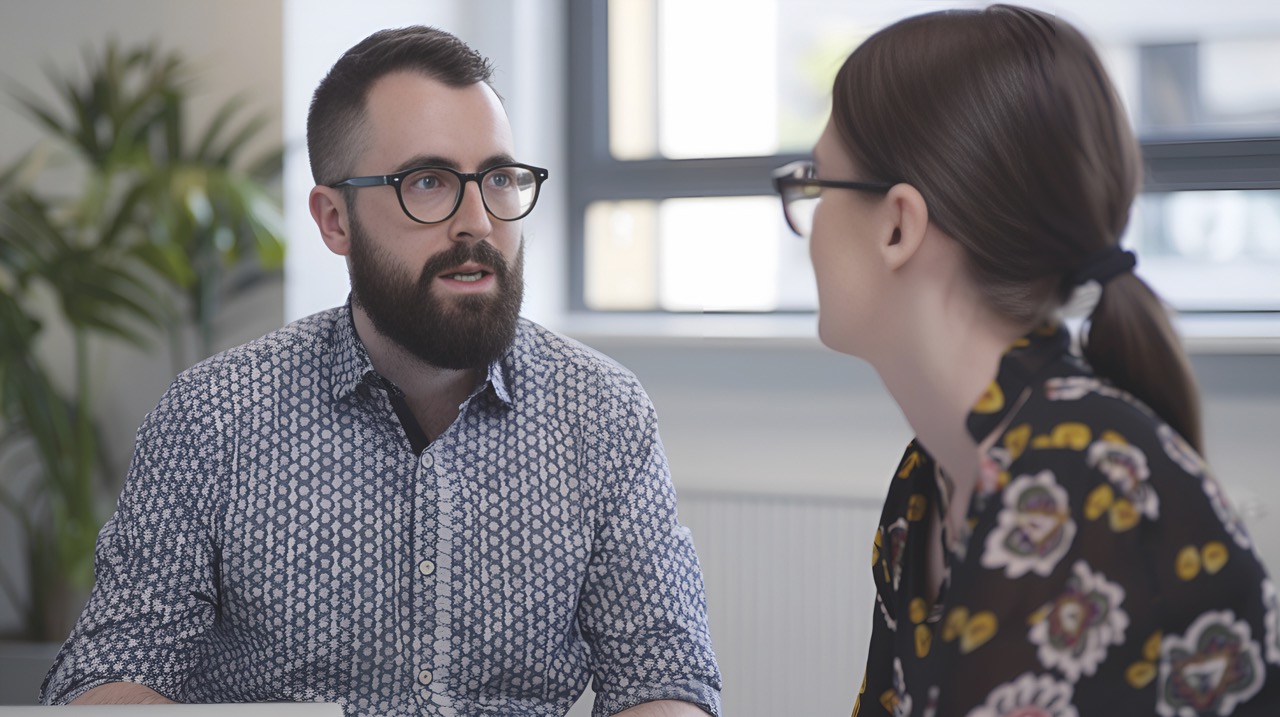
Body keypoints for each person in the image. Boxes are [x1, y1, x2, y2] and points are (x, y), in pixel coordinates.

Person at [40, 26, 720, 717]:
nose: (477, 222)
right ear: (335, 220)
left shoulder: (601, 411)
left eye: (499, 178)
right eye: (428, 182)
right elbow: (110, 674)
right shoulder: (214, 415)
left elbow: (664, 679)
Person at [771, 5, 1279, 716]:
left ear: (897, 226)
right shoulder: (928, 481)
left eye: (818, 186)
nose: (809, 223)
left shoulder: (1081, 485)